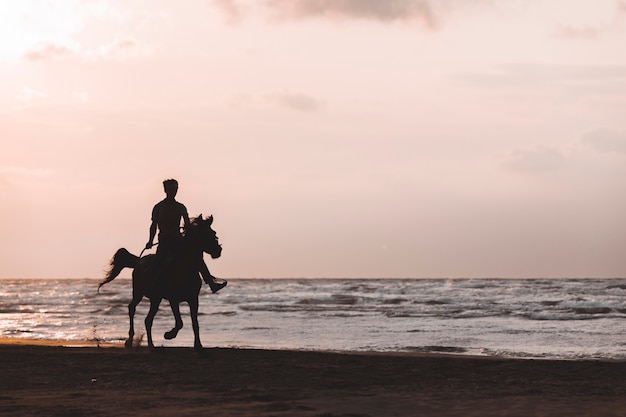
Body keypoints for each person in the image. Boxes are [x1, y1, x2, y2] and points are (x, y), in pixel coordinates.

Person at [145, 179, 227, 293]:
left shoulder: (180, 207)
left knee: (197, 258)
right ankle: (153, 285)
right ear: (165, 190)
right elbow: (153, 225)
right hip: (164, 241)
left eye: (175, 189)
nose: (173, 191)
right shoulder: (158, 207)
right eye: (170, 189)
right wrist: (150, 241)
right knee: (159, 261)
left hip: (178, 241)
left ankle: (211, 284)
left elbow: (187, 225)